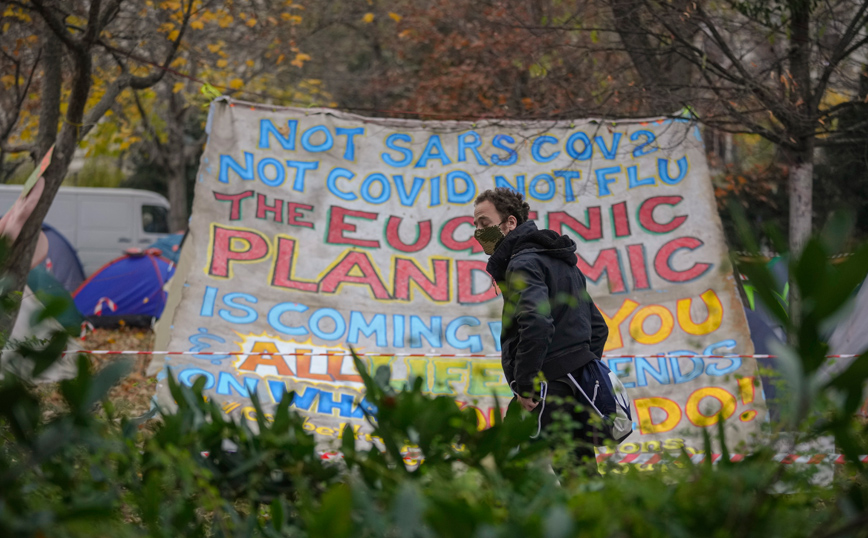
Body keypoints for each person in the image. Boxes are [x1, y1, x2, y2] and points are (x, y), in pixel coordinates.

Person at [472, 187, 609, 476]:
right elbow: (598, 327)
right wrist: (578, 366)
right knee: (580, 471)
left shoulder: (522, 263)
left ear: (510, 223)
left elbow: (535, 321)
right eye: (475, 226)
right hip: (573, 384)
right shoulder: (561, 262)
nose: (478, 232)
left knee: (507, 466)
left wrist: (526, 385)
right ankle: (603, 519)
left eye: (484, 224)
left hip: (544, 387)